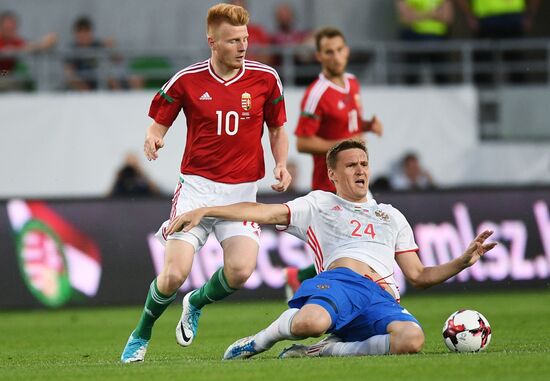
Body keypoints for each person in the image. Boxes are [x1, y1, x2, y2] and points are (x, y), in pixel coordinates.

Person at [165, 139, 496, 359]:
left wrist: (462, 262)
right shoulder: (319, 203)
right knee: (310, 322)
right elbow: (263, 212)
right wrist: (207, 211)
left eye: (364, 163)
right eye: (351, 165)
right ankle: (260, 341)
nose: (361, 169)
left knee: (412, 340)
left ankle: (326, 350)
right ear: (333, 174)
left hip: (382, 296)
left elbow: (419, 275)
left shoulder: (391, 215)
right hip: (340, 283)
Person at [120, 3, 290, 363]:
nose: (242, 47)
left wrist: (281, 164)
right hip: (197, 190)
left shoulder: (265, 78)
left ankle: (195, 302)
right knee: (173, 275)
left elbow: (276, 128)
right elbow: (157, 122)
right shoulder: (187, 80)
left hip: (242, 193)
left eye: (244, 39)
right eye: (232, 41)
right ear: (212, 41)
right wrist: (153, 138)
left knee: (241, 271)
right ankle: (142, 332)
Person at [285, 27, 384, 296]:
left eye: (340, 50)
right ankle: (338, 292)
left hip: (355, 176)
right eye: (329, 52)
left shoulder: (352, 83)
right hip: (331, 183)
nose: (336, 56)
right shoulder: (316, 94)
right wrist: (343, 146)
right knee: (351, 245)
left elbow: (346, 122)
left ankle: (302, 278)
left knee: (364, 238)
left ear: (347, 51)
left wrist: (366, 125)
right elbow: (303, 141)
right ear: (319, 56)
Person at [65, 16, 143, 91]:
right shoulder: (72, 51)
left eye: (86, 31)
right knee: (110, 78)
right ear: (75, 34)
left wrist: (113, 49)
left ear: (90, 32)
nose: (83, 35)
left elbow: (118, 61)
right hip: (85, 86)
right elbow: (69, 72)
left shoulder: (97, 45)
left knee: (134, 78)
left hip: (104, 82)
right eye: (80, 32)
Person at [396, 0, 454, 84]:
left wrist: (417, 14)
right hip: (413, 39)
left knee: (442, 77)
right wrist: (433, 13)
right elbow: (406, 17)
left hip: (437, 39)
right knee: (411, 78)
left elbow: (447, 17)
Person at [0, 10, 57, 90]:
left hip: (8, 74)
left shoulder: (16, 42)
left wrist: (46, 42)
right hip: (3, 74)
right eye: (7, 28)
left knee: (22, 74)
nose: (10, 30)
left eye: (12, 27)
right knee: (13, 75)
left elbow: (29, 47)